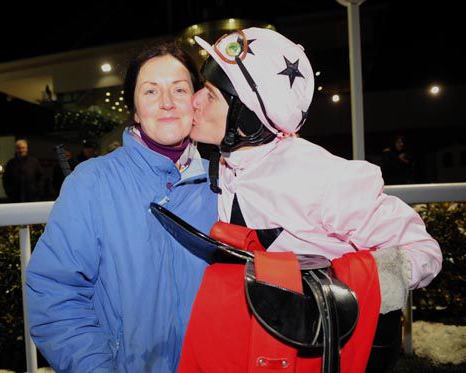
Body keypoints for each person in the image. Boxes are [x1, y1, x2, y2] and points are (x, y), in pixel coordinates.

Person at [182, 27, 442, 372]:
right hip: (258, 342)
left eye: (211, 95)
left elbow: (422, 251)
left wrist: (333, 289)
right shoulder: (231, 162)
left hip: (316, 351)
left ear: (247, 116)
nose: (194, 100)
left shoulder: (320, 176)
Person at [25, 42, 218, 372]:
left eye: (180, 89)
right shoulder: (92, 183)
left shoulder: (224, 185)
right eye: (151, 92)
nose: (167, 103)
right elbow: (54, 294)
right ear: (134, 108)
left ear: (196, 102)